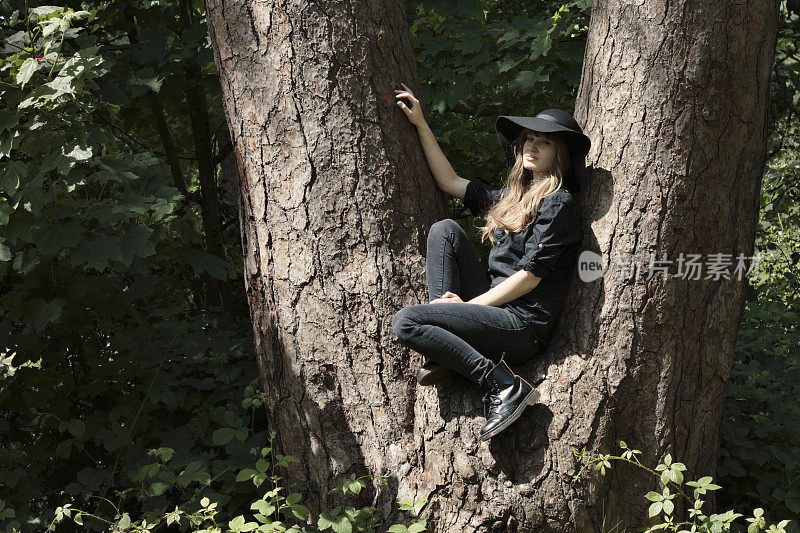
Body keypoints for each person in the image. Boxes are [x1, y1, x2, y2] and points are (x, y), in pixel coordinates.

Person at [390, 82, 590, 441]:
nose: (532, 145)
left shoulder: (558, 203)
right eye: (528, 138)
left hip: (521, 325)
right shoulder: (510, 199)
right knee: (445, 229)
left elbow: (530, 277)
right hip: (490, 311)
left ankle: (503, 386)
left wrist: (466, 307)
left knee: (406, 322)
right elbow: (448, 180)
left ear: (560, 154)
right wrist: (421, 123)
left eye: (543, 141)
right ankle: (444, 350)